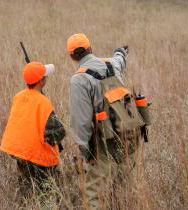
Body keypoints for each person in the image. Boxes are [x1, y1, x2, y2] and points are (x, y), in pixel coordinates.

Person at [67, 33, 139, 209]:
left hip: (104, 140)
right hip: (130, 131)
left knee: (94, 192)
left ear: (72, 57)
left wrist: (84, 154)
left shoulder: (79, 79)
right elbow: (120, 59)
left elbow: (81, 123)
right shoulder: (112, 63)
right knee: (124, 186)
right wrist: (120, 51)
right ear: (91, 49)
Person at [0, 62, 65, 191]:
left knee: (27, 188)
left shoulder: (18, 97)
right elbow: (58, 132)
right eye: (45, 77)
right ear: (41, 82)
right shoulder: (43, 102)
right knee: (47, 192)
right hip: (38, 157)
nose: (46, 78)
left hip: (19, 152)